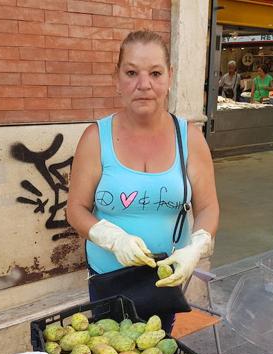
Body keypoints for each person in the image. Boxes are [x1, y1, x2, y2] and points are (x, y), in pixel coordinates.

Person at [67, 30, 219, 333]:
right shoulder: (96, 138)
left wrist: (198, 246)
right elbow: (76, 209)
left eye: (155, 73)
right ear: (117, 78)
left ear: (169, 77)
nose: (144, 85)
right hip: (109, 278)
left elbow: (208, 206)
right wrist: (112, 237)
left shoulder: (189, 138)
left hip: (165, 278)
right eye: (132, 73)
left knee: (158, 348)